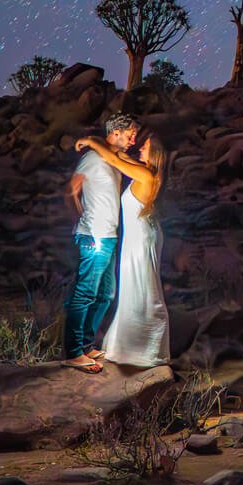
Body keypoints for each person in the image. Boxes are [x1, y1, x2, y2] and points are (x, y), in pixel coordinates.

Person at [76, 128, 172, 368]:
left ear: (154, 153)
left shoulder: (145, 175)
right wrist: (99, 141)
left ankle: (147, 348)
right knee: (133, 286)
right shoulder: (146, 170)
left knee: (141, 285)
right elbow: (117, 154)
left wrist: (89, 141)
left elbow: (113, 159)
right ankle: (129, 345)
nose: (139, 147)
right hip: (140, 234)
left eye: (145, 146)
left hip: (141, 237)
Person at [63, 114, 137, 372]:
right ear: (115, 133)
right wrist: (81, 224)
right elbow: (71, 191)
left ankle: (86, 345)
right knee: (85, 293)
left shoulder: (111, 159)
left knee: (106, 294)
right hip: (94, 235)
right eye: (130, 135)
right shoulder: (91, 159)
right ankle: (73, 352)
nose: (133, 140)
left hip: (110, 236)